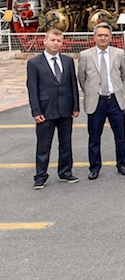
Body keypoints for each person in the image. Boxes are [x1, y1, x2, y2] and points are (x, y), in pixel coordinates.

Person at [27, 28, 80, 189]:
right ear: (45, 41)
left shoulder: (68, 61)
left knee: (66, 143)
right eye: (53, 40)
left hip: (65, 109)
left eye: (59, 41)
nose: (56, 43)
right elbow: (32, 89)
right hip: (45, 111)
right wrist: (36, 111)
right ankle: (40, 176)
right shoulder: (34, 63)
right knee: (43, 145)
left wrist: (75, 106)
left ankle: (65, 172)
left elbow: (73, 85)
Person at [78, 23, 125, 178]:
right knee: (94, 137)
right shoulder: (85, 55)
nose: (102, 38)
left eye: (105, 35)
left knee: (120, 136)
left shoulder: (119, 54)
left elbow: (122, 74)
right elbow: (82, 79)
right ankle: (94, 168)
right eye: (99, 35)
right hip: (96, 101)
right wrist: (92, 92)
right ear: (94, 37)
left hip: (115, 100)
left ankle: (122, 164)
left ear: (110, 37)